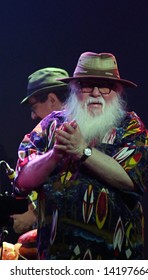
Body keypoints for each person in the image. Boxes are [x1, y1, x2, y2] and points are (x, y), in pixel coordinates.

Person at [14, 52, 148, 260]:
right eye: (87, 85)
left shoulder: (131, 127)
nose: (96, 93)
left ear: (117, 91)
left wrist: (83, 152)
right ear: (74, 90)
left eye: (104, 86)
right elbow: (22, 179)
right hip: (57, 257)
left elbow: (132, 180)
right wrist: (54, 155)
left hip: (115, 260)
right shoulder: (51, 124)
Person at [11, 67, 69, 234]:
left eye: (33, 106)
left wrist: (33, 215)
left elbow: (21, 184)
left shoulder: (38, 135)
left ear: (51, 99)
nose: (33, 116)